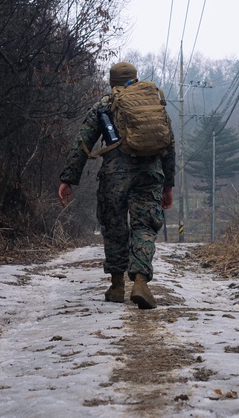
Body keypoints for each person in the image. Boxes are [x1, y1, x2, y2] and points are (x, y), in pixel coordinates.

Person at [58, 61, 175, 309]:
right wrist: (168, 185)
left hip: (115, 176)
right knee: (145, 226)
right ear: (135, 78)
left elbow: (83, 142)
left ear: (112, 82)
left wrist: (68, 179)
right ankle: (141, 281)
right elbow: (169, 145)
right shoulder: (153, 102)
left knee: (114, 226)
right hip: (149, 174)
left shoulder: (104, 105)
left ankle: (117, 285)